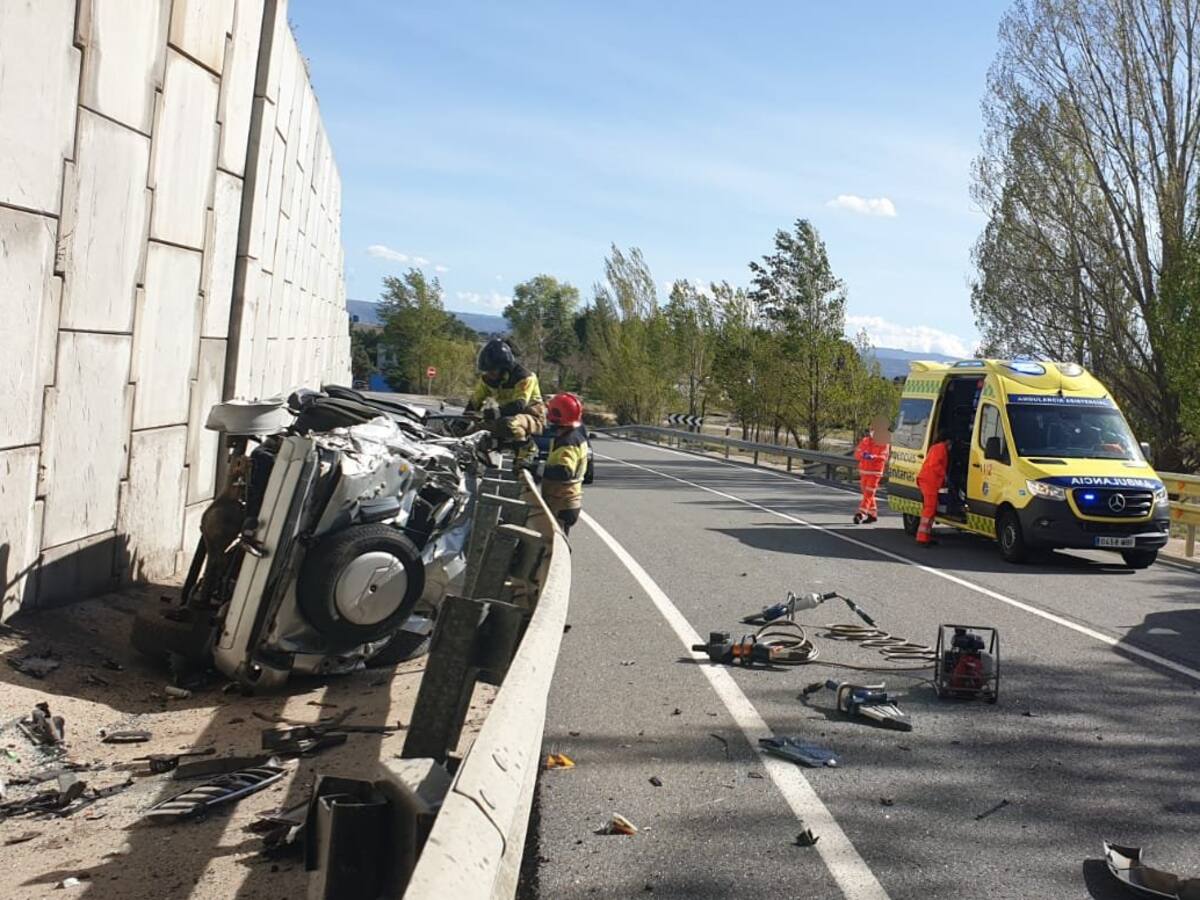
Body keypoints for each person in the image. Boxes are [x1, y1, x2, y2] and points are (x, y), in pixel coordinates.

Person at [465, 338, 546, 463]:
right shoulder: (487, 380)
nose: (489, 374)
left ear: (504, 367)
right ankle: (479, 460)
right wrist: (464, 421)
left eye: (492, 370)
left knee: (508, 423)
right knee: (471, 433)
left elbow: (519, 405)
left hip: (531, 418)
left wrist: (487, 414)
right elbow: (474, 402)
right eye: (487, 370)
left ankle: (528, 447)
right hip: (504, 416)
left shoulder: (524, 377)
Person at [540, 392, 589, 535]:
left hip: (562, 503)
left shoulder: (568, 442)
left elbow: (564, 471)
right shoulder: (572, 437)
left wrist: (538, 469)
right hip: (567, 502)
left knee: (554, 547)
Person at [852, 416, 892, 524]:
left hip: (875, 472)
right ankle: (872, 514)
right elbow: (857, 453)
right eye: (871, 429)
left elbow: (884, 457)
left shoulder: (884, 443)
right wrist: (862, 455)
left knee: (869, 493)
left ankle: (861, 513)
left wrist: (873, 457)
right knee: (867, 493)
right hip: (864, 471)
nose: (872, 432)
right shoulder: (865, 441)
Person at [916, 428, 952, 546]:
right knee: (929, 509)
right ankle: (922, 537)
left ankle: (926, 536)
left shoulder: (936, 447)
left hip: (929, 481)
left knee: (931, 509)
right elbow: (935, 465)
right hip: (929, 482)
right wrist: (944, 475)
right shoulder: (941, 448)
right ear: (948, 441)